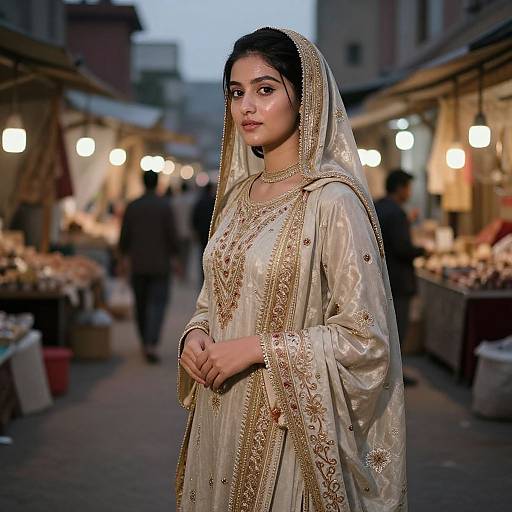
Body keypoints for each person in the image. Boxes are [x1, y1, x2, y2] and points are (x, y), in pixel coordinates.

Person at [176, 28, 407, 511]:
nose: (247, 107)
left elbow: (368, 340)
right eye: (237, 94)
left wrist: (258, 349)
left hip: (288, 429)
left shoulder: (332, 201)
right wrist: (195, 337)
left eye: (265, 89)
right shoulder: (238, 198)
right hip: (219, 421)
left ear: (306, 99)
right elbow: (212, 299)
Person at [119, 170, 178, 364]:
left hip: (138, 263)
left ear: (143, 183)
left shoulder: (133, 206)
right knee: (158, 304)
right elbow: (172, 235)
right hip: (160, 264)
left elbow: (124, 236)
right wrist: (175, 257)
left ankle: (145, 341)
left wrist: (123, 258)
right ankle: (152, 343)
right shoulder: (165, 206)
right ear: (157, 183)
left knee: (141, 303)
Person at [375, 170, 426, 386]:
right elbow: (403, 248)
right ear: (400, 187)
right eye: (408, 187)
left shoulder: (377, 206)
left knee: (384, 329)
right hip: (398, 280)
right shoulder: (396, 212)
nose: (409, 192)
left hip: (381, 277)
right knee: (397, 330)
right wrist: (423, 250)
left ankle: (383, 374)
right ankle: (394, 376)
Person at [191, 181, 216, 284]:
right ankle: (207, 277)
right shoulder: (214, 201)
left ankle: (202, 277)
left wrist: (195, 230)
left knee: (201, 254)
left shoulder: (200, 201)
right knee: (209, 254)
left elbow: (194, 217)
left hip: (201, 232)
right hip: (211, 233)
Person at [173, 181, 195, 281]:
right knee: (186, 254)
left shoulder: (175, 201)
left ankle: (179, 272)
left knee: (178, 254)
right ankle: (183, 273)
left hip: (177, 231)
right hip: (188, 232)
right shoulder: (191, 201)